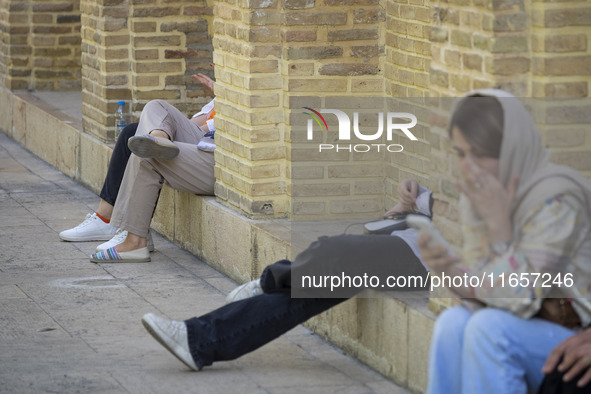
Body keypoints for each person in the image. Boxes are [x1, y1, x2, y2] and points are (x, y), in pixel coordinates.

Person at [140, 178, 434, 371]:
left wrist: (425, 205)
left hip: (423, 260)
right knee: (307, 289)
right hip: (405, 245)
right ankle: (198, 340)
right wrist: (406, 204)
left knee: (333, 248)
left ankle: (270, 281)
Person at [419, 90, 591, 394]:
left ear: (512, 149)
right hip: (530, 325)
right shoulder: (481, 200)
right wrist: (456, 278)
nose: (468, 167)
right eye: (461, 154)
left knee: (488, 330)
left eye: (480, 155)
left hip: (575, 335)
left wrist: (499, 227)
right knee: (453, 323)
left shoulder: (557, 199)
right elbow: (491, 291)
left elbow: (520, 299)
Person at [59, 73, 216, 260]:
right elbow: (196, 125)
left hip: (222, 157)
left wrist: (224, 99)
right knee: (151, 112)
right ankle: (158, 139)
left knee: (146, 152)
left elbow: (214, 128)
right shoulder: (225, 94)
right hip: (203, 143)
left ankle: (132, 236)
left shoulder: (248, 97)